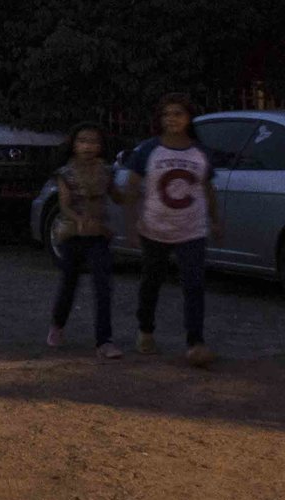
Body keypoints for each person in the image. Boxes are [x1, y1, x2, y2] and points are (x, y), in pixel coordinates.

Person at [122, 93, 221, 367]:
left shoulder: (199, 152)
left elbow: (207, 188)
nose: (172, 119)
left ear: (189, 118)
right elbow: (132, 187)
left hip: (192, 229)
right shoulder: (149, 150)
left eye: (178, 113)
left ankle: (195, 341)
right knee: (152, 281)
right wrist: (131, 225)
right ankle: (145, 329)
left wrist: (215, 219)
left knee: (194, 285)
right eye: (167, 115)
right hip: (155, 228)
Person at [46, 123, 123, 358]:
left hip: (99, 235)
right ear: (74, 145)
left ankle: (104, 340)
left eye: (93, 142)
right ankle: (58, 325)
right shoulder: (66, 173)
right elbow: (65, 204)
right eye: (82, 141)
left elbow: (116, 196)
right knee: (69, 284)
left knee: (103, 286)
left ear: (100, 146)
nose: (88, 147)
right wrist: (78, 219)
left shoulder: (106, 171)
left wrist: (135, 193)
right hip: (73, 235)